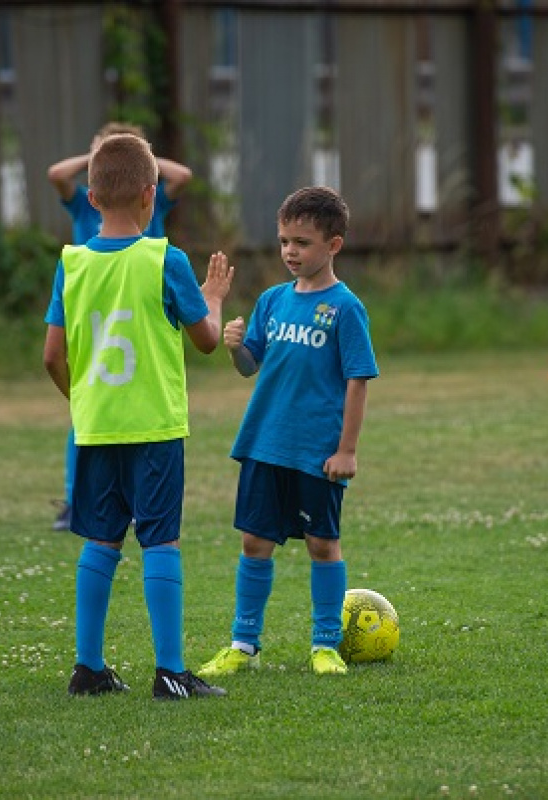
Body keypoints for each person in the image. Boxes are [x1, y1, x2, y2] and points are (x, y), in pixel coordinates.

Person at [43, 132, 232, 700]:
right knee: (160, 542)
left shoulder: (71, 263)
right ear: (152, 196)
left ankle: (88, 668)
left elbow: (52, 356)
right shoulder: (164, 259)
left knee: (101, 541)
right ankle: (170, 671)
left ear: (92, 199)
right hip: (153, 427)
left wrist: (83, 403)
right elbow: (205, 341)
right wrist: (214, 296)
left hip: (95, 428)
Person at [197, 186, 378, 678]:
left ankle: (325, 645)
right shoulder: (273, 301)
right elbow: (250, 366)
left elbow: (357, 381)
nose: (290, 252)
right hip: (264, 443)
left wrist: (347, 450)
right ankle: (243, 643)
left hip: (317, 452)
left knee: (322, 544)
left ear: (333, 246)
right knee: (254, 542)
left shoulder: (345, 308)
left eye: (302, 242)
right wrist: (235, 347)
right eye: (283, 241)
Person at [47, 121, 193, 531]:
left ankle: (115, 508)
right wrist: (103, 158)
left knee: (100, 418)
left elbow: (181, 177)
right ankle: (77, 500)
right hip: (103, 308)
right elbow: (56, 174)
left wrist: (132, 157)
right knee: (94, 424)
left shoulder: (154, 206)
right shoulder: (82, 208)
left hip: (143, 309)